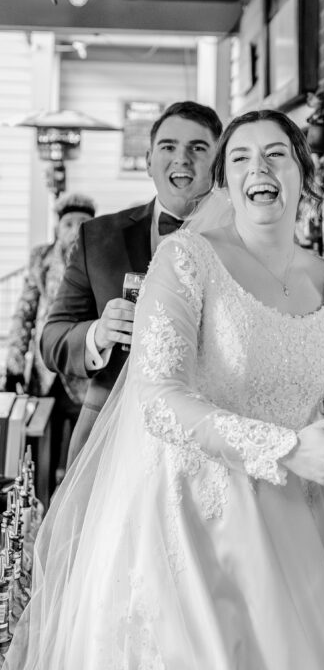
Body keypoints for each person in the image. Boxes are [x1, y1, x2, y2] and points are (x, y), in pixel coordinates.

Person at [6, 109, 324, 670]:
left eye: (275, 154)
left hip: (292, 524)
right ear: (226, 183)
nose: (258, 167)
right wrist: (287, 448)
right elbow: (158, 400)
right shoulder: (185, 261)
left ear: (304, 176)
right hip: (194, 524)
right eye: (240, 157)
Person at [40, 100, 222, 463]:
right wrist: (99, 334)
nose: (181, 159)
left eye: (198, 148)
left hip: (211, 440)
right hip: (109, 435)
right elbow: (52, 340)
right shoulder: (98, 237)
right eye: (168, 146)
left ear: (219, 164)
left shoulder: (244, 240)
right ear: (148, 161)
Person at [4, 192, 96, 492]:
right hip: (45, 373)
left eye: (82, 223)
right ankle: (39, 509)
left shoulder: (97, 257)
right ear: (57, 227)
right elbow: (24, 313)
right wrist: (14, 365)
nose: (74, 230)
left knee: (82, 449)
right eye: (68, 223)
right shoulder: (42, 259)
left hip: (82, 372)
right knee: (40, 446)